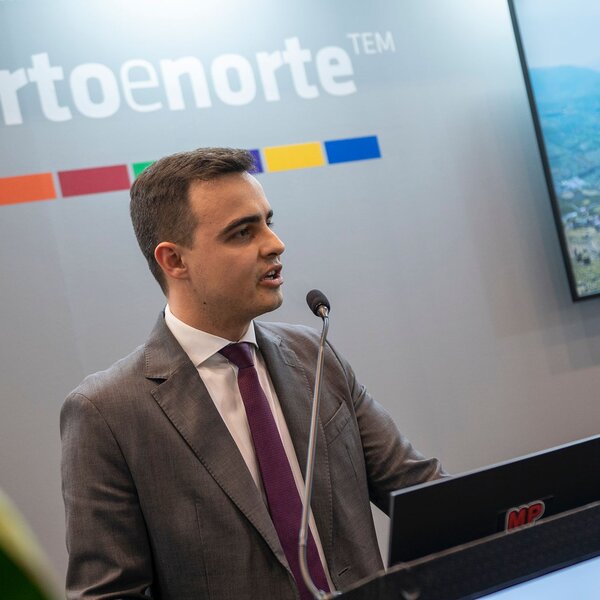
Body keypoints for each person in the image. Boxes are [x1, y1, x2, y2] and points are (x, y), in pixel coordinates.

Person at [60, 147, 444, 600]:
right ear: (174, 261)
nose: (274, 244)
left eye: (268, 222)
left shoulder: (314, 355)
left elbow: (424, 495)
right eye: (243, 232)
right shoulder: (106, 412)